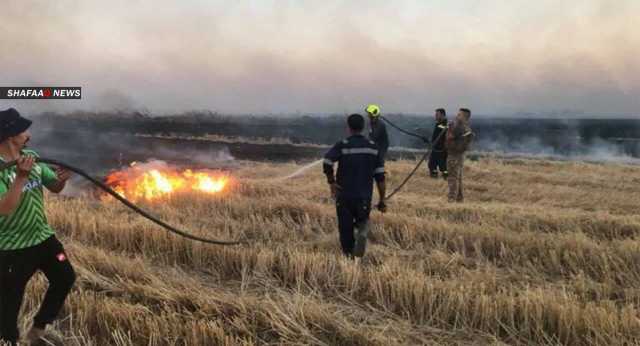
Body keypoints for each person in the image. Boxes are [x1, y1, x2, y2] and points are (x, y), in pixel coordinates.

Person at [0, 108, 75, 345]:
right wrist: (20, 177)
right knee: (8, 307)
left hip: (43, 238)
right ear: (10, 135)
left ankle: (38, 329)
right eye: (23, 130)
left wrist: (61, 180)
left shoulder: (32, 156)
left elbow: (53, 187)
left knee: (65, 277)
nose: (28, 135)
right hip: (12, 248)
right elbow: (4, 208)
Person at [323, 113, 386, 258]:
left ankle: (348, 256)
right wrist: (382, 199)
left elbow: (327, 162)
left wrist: (331, 182)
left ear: (349, 127)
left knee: (345, 229)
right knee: (362, 219)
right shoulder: (373, 147)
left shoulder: (343, 144)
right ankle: (362, 230)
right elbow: (380, 177)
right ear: (363, 127)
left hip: (344, 195)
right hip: (364, 196)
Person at [446, 108, 474, 203]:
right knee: (458, 177)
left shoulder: (459, 127)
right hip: (460, 155)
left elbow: (450, 137)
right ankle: (459, 198)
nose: (456, 116)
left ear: (464, 117)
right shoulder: (467, 128)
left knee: (453, 177)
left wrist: (449, 127)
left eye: (459, 115)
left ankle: (451, 198)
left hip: (454, 155)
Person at [428, 108, 448, 179]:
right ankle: (434, 178)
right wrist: (430, 141)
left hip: (442, 150)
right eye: (435, 115)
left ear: (442, 115)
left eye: (437, 115)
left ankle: (446, 178)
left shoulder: (446, 125)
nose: (435, 116)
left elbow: (445, 136)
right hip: (435, 149)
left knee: (443, 167)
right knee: (431, 165)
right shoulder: (438, 124)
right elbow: (436, 136)